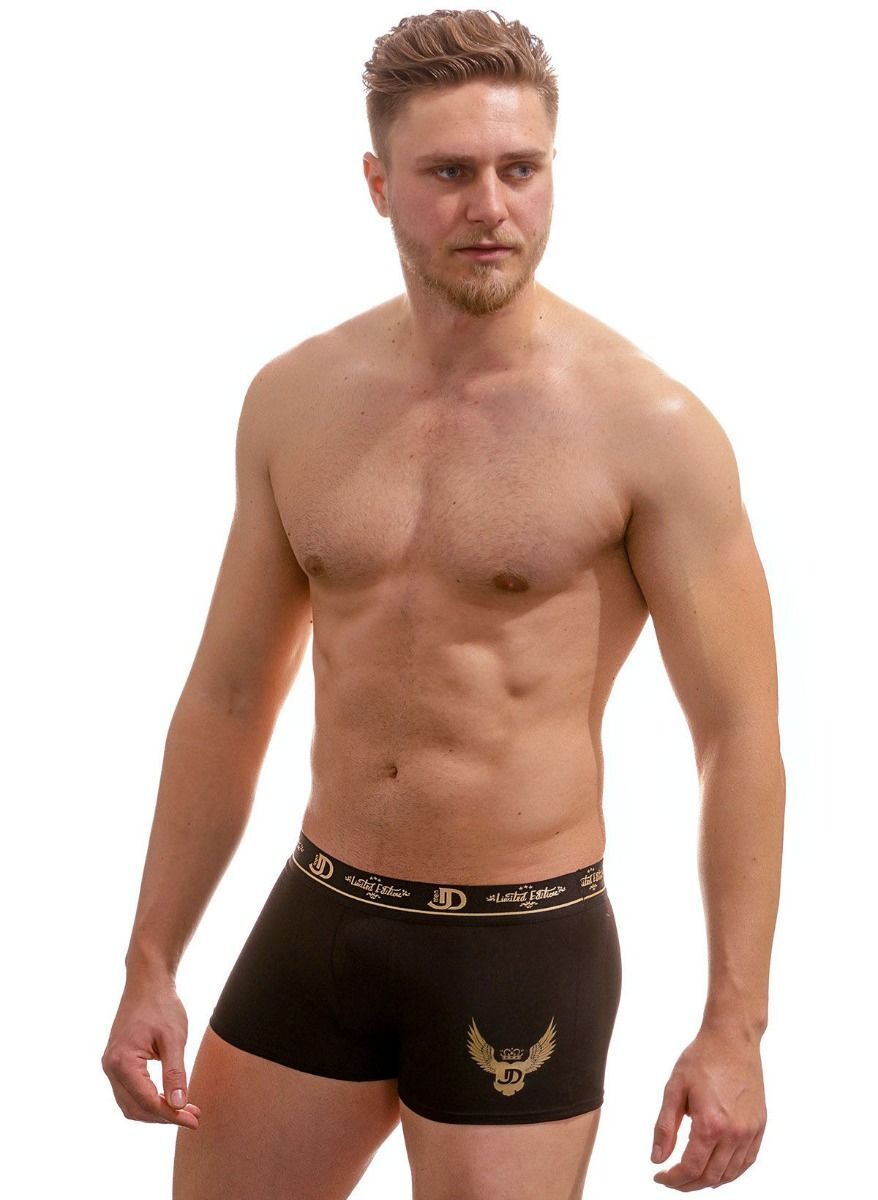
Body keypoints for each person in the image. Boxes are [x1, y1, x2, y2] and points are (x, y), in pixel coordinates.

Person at [101, 9, 785, 1198]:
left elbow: (738, 738)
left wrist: (734, 1025)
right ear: (377, 184)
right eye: (449, 173)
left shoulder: (649, 429)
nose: (490, 208)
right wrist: (150, 959)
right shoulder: (294, 400)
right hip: (320, 914)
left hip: (519, 946)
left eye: (520, 169)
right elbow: (227, 696)